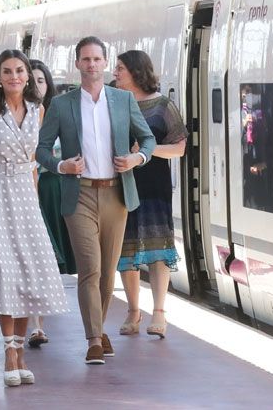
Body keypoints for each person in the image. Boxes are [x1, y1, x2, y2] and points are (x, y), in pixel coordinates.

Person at [37, 36, 155, 364]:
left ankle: (99, 328)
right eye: (85, 59)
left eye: (97, 59)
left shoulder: (122, 100)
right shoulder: (62, 104)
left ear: (105, 63)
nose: (91, 65)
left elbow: (147, 138)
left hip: (116, 193)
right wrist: (62, 166)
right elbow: (42, 149)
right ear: (77, 64)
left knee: (106, 271)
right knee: (89, 268)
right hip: (80, 193)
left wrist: (137, 159)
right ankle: (92, 339)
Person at [0, 50, 68, 387]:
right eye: (7, 71)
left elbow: (37, 161)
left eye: (19, 71)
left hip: (26, 195)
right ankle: (9, 352)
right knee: (6, 271)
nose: (13, 76)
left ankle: (21, 352)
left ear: (27, 75)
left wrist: (36, 201)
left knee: (31, 274)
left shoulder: (38, 110)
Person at [113, 50, 188, 339]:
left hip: (154, 185)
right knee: (126, 248)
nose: (116, 73)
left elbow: (179, 148)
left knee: (158, 247)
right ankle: (133, 310)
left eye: (120, 68)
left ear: (136, 71)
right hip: (122, 182)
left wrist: (145, 151)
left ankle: (159, 312)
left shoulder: (162, 106)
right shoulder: (114, 102)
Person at [26, 59, 77, 348]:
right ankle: (36, 326)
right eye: (29, 79)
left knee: (52, 262)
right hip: (29, 192)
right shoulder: (15, 114)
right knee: (35, 259)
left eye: (40, 80)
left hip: (55, 189)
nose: (35, 86)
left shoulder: (61, 113)